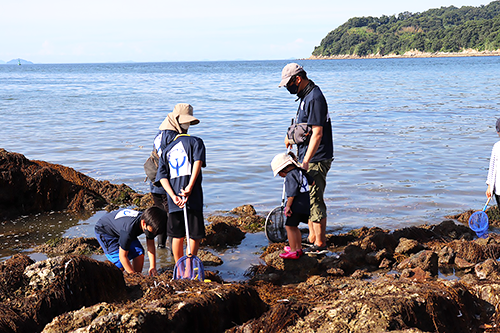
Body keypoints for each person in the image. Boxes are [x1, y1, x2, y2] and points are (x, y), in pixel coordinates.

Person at [278, 63, 334, 254]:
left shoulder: (315, 97)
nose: (288, 88)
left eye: (289, 84)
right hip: (307, 156)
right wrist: (291, 139)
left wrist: (306, 161)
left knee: (315, 197)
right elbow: (305, 130)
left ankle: (320, 242)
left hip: (316, 158)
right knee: (308, 198)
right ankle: (311, 237)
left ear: (298, 79)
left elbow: (317, 133)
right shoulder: (305, 97)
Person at [155, 103, 206, 264]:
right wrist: (190, 187)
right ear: (187, 125)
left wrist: (173, 196)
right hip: (193, 197)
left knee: (176, 234)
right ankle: (189, 263)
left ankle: (179, 266)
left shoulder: (167, 148)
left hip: (174, 200)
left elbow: (162, 177)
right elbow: (197, 163)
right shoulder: (196, 142)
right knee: (194, 234)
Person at [150, 106, 194, 248]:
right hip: (165, 186)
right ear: (177, 121)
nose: (187, 126)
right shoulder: (171, 136)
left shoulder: (162, 133)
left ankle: (161, 247)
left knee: (163, 217)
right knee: (172, 219)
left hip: (156, 184)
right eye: (185, 122)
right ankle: (172, 254)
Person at [94, 206, 166, 276]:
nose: (152, 235)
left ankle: (138, 275)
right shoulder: (128, 231)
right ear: (144, 223)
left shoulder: (148, 220)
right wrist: (133, 275)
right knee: (119, 264)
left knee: (139, 253)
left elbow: (150, 244)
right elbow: (122, 256)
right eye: (151, 232)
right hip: (105, 231)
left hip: (120, 228)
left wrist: (152, 266)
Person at [271, 152, 314, 259]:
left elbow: (292, 194)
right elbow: (312, 182)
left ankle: (293, 250)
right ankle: (298, 248)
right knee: (295, 227)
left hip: (296, 205)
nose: (280, 176)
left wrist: (288, 206)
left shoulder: (290, 175)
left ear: (284, 168)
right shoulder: (301, 171)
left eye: (279, 173)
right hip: (305, 204)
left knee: (289, 227)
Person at [486, 118, 500, 205]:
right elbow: (492, 167)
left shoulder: (496, 146)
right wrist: (489, 186)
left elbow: (492, 168)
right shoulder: (496, 147)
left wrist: (489, 186)